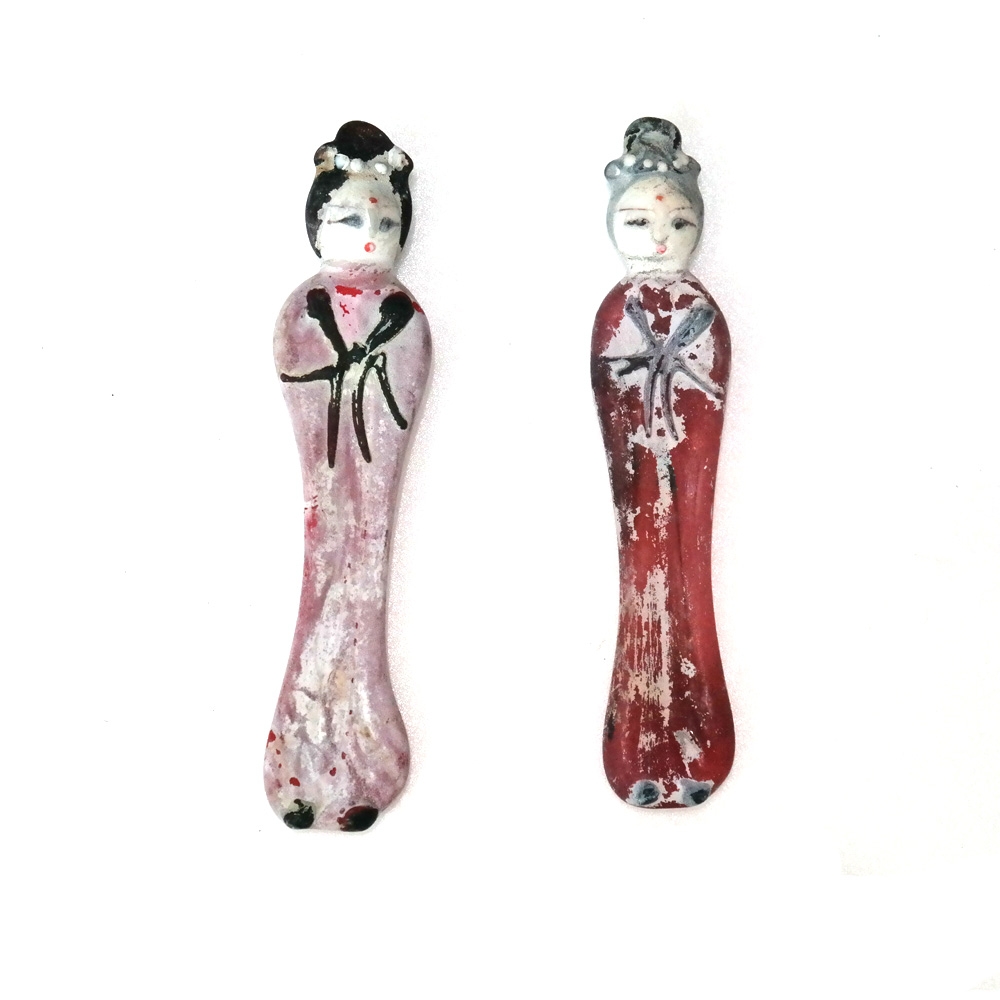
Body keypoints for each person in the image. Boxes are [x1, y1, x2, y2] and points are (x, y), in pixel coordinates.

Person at [591, 118, 736, 808]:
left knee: (681, 571)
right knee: (646, 577)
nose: (659, 237)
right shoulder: (617, 310)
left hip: (682, 491)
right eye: (638, 220)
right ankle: (643, 742)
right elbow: (618, 399)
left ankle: (693, 739)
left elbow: (702, 407)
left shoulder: (699, 310)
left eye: (679, 221)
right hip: (641, 486)